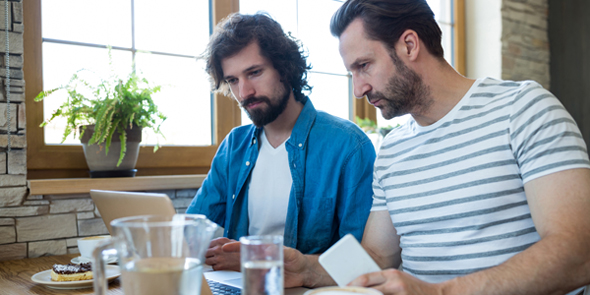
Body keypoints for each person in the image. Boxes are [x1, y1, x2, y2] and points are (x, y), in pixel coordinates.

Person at [275, 0, 590, 294]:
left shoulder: (523, 109)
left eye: (364, 65)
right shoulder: (393, 151)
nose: (359, 89)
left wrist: (439, 292)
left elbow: (579, 251)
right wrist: (308, 270)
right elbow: (377, 256)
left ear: (409, 45)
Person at [185, 13, 376, 272]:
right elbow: (192, 233)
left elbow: (361, 261)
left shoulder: (349, 147)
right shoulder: (233, 147)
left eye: (254, 73)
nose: (244, 93)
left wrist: (254, 258)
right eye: (232, 81)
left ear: (284, 68)